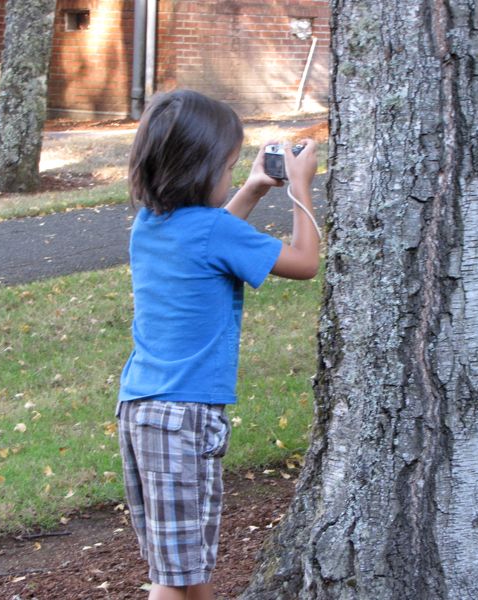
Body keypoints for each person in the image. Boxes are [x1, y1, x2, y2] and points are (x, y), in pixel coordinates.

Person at [116, 89, 320, 600]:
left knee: (174, 573)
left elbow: (211, 236)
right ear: (199, 170)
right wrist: (301, 189)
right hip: (185, 419)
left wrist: (251, 188)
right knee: (185, 579)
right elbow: (304, 262)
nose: (233, 176)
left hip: (141, 410)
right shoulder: (212, 231)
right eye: (229, 168)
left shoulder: (150, 225)